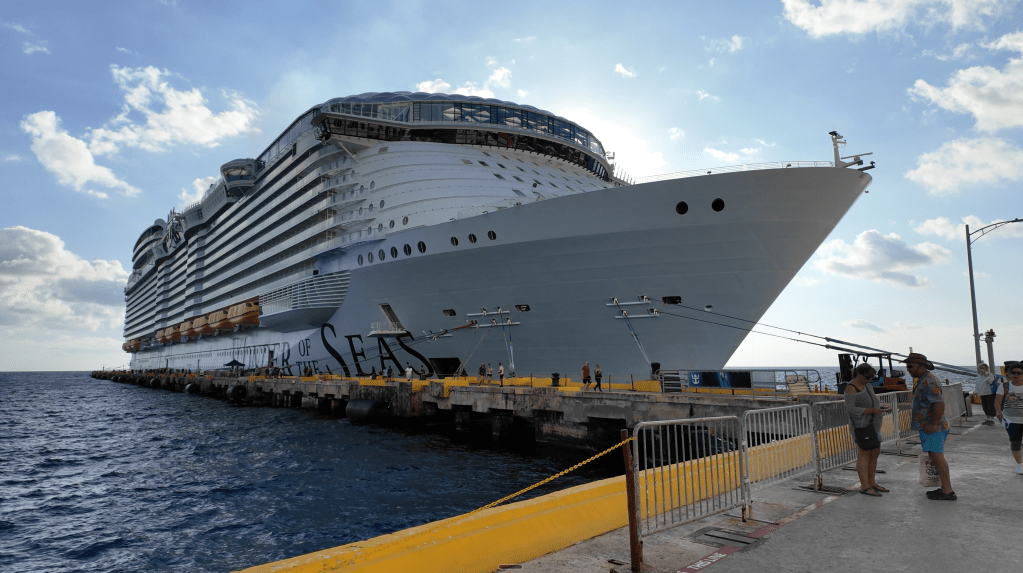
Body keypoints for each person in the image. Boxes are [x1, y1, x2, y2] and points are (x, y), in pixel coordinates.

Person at [905, 352, 955, 500]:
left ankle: (947, 490)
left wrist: (933, 424)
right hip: (929, 426)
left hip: (933, 427)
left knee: (937, 457)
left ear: (921, 366)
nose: (908, 369)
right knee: (935, 457)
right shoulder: (923, 380)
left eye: (910, 366)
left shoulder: (929, 381)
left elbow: (938, 404)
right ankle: (945, 488)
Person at [844, 363, 889, 496]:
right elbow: (851, 409)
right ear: (858, 374)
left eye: (871, 378)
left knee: (875, 453)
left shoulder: (868, 385)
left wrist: (881, 408)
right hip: (861, 427)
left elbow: (873, 402)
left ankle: (872, 483)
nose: (869, 380)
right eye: (867, 377)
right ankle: (864, 486)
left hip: (874, 426)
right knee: (864, 454)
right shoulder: (851, 388)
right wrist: (872, 410)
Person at [994, 361, 1023, 475]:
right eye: (1013, 372)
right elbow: (997, 401)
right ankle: (1019, 465)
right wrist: (998, 413)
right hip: (1011, 420)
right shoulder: (1005, 386)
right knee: (1015, 442)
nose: (1015, 375)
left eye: (1019, 373)